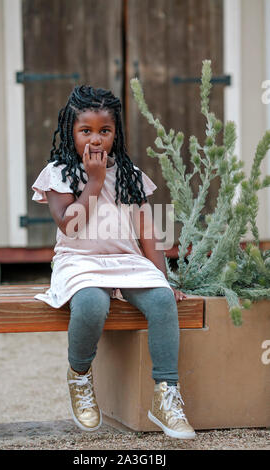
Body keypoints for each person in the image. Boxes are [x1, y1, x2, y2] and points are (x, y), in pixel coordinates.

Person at [31, 85, 195, 440]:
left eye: (104, 131)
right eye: (85, 130)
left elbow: (148, 231)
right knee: (92, 302)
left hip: (126, 261)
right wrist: (94, 181)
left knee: (163, 300)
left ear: (115, 133)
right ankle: (79, 376)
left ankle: (166, 393)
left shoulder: (131, 174)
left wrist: (163, 279)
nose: (96, 139)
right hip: (79, 261)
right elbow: (69, 224)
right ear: (70, 132)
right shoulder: (59, 172)